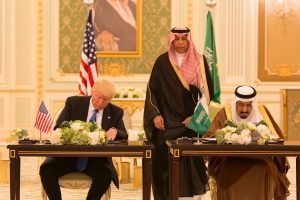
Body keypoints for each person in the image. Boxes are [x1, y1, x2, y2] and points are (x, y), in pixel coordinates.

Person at [143, 27, 214, 200]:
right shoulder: (162, 61)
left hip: (188, 123)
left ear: (189, 40)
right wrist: (155, 115)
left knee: (190, 168)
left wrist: (196, 117)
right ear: (171, 40)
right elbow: (152, 90)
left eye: (184, 39)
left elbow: (206, 94)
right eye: (177, 39)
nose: (180, 43)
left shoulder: (199, 61)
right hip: (166, 123)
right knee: (164, 166)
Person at [39, 79, 128, 200]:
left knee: (106, 174)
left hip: (96, 159)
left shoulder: (116, 112)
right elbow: (59, 126)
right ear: (93, 91)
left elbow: (124, 134)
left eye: (105, 100)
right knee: (46, 169)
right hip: (67, 156)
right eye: (98, 97)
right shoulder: (73, 103)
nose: (101, 102)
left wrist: (116, 131)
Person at [205, 85, 290, 200]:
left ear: (253, 104)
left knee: (267, 168)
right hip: (230, 160)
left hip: (262, 161)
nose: (244, 109)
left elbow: (276, 138)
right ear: (235, 103)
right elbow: (210, 137)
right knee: (229, 170)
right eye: (241, 104)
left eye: (249, 105)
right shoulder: (225, 113)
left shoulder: (262, 113)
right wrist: (226, 136)